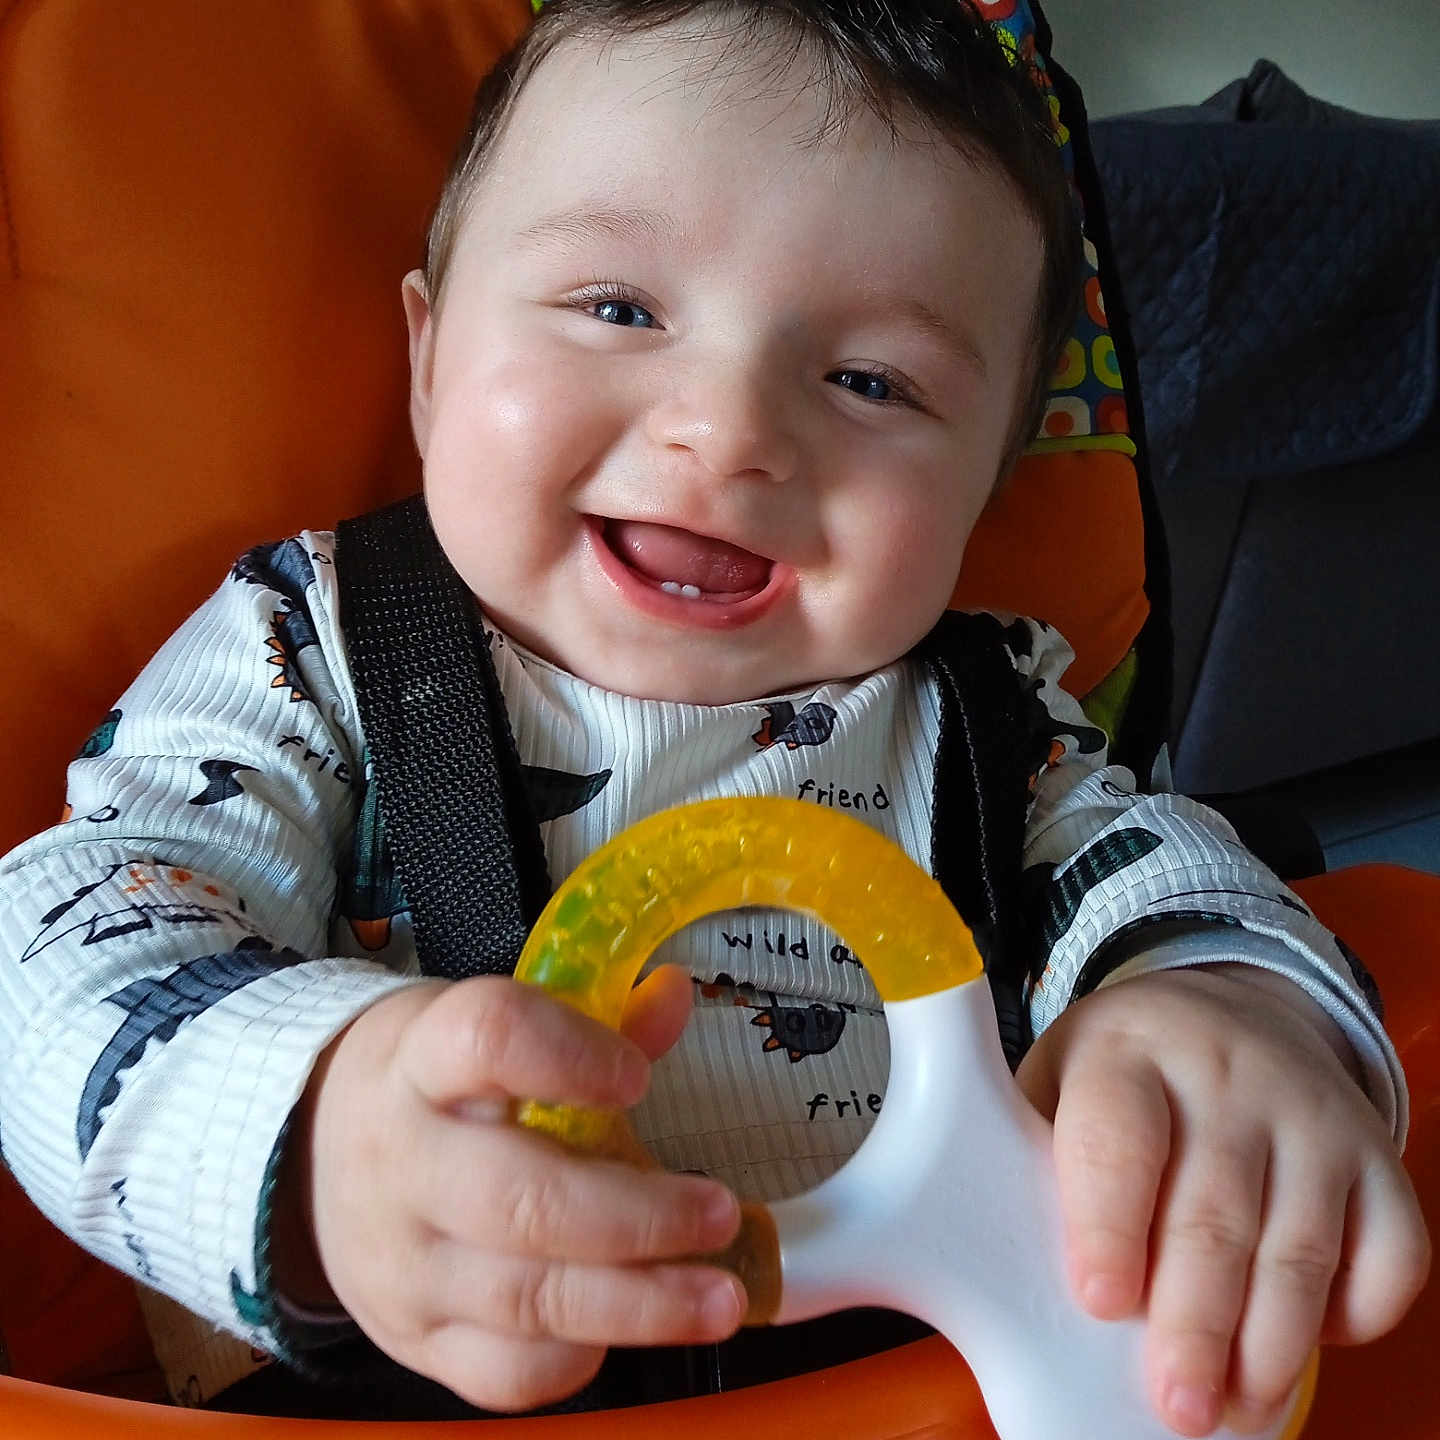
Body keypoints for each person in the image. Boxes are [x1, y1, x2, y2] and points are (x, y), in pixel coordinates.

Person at [0, 0, 1426, 1434]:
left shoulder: (995, 716)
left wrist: (1225, 1007)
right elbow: (65, 935)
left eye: (871, 382)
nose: (730, 429)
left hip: (919, 1382)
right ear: (430, 365)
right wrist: (313, 1125)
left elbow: (1166, 871)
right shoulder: (304, 647)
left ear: (981, 491)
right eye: (619, 309)